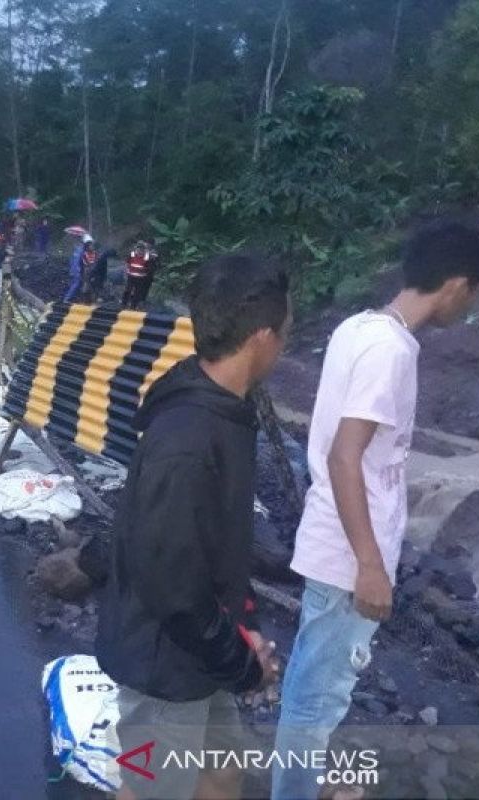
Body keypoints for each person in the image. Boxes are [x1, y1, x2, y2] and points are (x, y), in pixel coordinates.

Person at [271, 220, 479, 800]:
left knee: (316, 680)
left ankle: (306, 783)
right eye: (475, 292)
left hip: (336, 537)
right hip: (349, 552)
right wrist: (371, 566)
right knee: (317, 694)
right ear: (454, 284)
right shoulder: (389, 350)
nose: (472, 305)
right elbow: (346, 456)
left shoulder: (360, 328)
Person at [96, 253, 289, 800]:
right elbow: (171, 588)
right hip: (165, 665)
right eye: (285, 331)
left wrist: (243, 627)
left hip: (201, 651)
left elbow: (211, 547)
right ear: (261, 336)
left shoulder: (223, 407)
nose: (286, 343)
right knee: (151, 787)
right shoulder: (187, 439)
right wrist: (242, 664)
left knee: (221, 776)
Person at [122, 240, 160, 310]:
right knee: (127, 290)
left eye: (142, 249)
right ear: (136, 248)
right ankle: (123, 304)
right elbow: (127, 263)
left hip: (141, 278)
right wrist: (126, 272)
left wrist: (147, 276)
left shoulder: (148, 257)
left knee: (137, 293)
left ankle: (133, 306)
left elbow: (151, 268)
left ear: (144, 249)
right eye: (138, 248)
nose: (140, 250)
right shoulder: (132, 254)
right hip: (131, 276)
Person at [64, 233, 93, 302]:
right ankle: (67, 299)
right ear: (86, 243)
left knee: (75, 284)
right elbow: (76, 262)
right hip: (76, 271)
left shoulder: (79, 250)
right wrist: (78, 271)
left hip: (75, 270)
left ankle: (73, 299)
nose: (90, 245)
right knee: (76, 284)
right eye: (89, 244)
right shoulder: (80, 251)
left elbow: (72, 260)